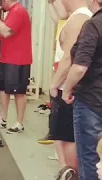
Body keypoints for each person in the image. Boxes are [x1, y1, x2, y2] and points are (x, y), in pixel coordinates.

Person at [49, 0, 92, 178]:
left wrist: (55, 84)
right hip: (69, 87)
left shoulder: (80, 19)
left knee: (70, 141)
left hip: (69, 88)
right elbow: (60, 14)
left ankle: (72, 173)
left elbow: (70, 58)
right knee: (61, 132)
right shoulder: (78, 17)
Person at [62, 0, 102, 179]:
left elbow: (79, 67)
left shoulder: (93, 25)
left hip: (91, 100)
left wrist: (66, 89)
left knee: (87, 157)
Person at [0, 0, 32, 134]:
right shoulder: (11, 12)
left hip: (17, 59)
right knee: (3, 89)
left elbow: (6, 32)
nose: (0, 6)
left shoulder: (18, 11)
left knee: (18, 91)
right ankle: (3, 119)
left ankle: (19, 123)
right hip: (6, 57)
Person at [38, 0, 69, 147]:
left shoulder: (75, 14)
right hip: (59, 59)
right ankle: (54, 132)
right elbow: (58, 19)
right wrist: (50, 4)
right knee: (55, 102)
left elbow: (63, 13)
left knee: (60, 101)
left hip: (65, 61)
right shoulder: (66, 22)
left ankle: (57, 134)